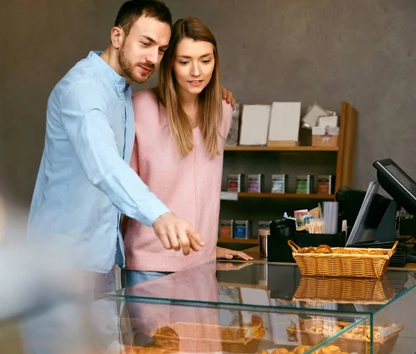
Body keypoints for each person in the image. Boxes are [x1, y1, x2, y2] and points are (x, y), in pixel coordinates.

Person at [27, 0, 206, 295]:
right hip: (62, 265)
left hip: (100, 260)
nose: (153, 58)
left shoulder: (120, 88)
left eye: (161, 50)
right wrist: (160, 215)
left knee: (108, 343)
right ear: (117, 37)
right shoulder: (83, 89)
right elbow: (104, 164)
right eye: (146, 43)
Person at [123, 17, 252, 287]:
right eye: (185, 61)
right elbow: (127, 191)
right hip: (151, 264)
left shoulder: (223, 111)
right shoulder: (138, 110)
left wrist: (208, 248)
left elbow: (199, 190)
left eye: (205, 60)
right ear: (169, 63)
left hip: (201, 264)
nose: (196, 71)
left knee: (202, 332)